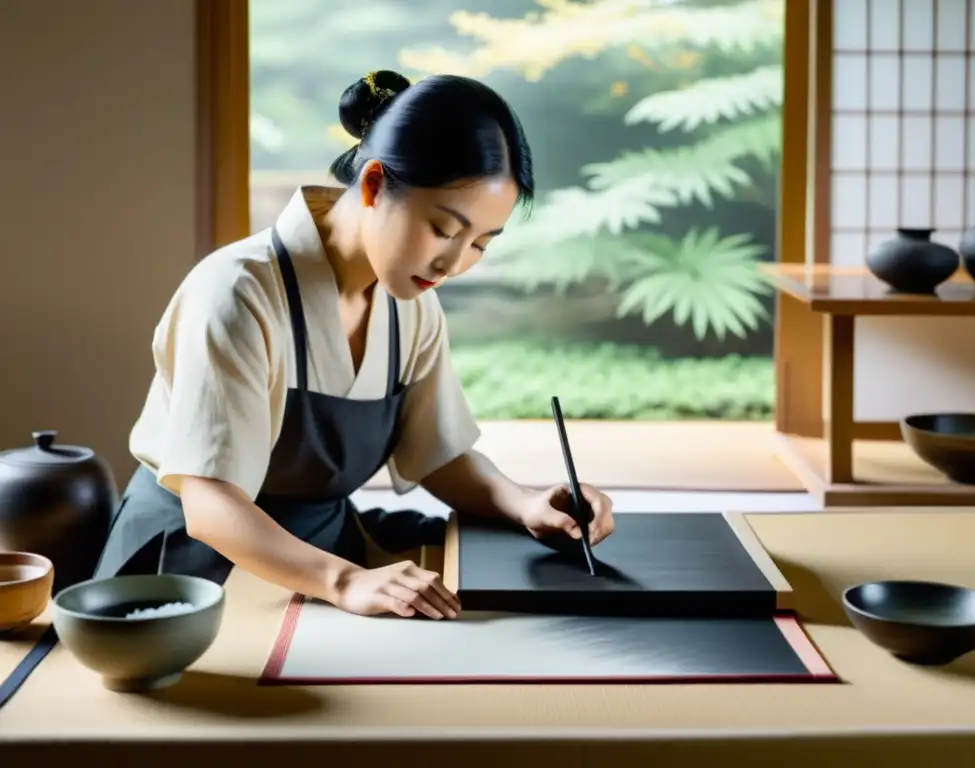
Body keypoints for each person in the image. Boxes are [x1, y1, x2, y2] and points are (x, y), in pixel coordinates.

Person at [95, 70, 616, 621]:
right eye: (443, 229)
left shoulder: (410, 300)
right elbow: (210, 505)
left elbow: (438, 453)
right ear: (372, 185)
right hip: (190, 576)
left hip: (324, 565)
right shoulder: (235, 292)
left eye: (480, 244)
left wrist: (526, 504)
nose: (454, 264)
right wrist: (343, 582)